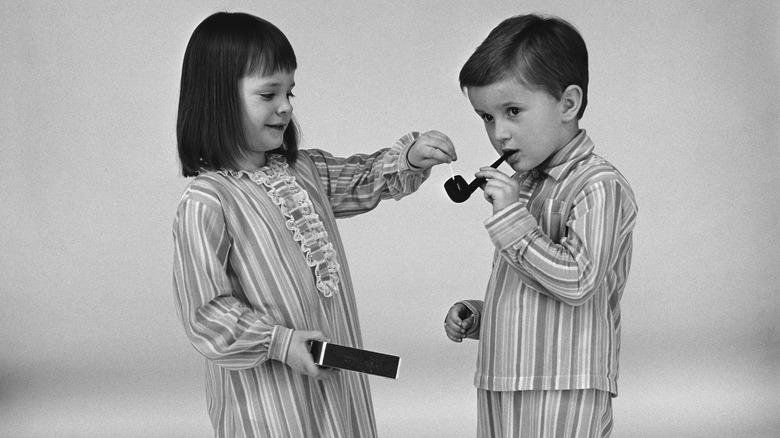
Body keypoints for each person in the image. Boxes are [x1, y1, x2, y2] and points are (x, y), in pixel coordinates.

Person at [172, 12, 455, 437]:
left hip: (332, 379)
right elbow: (206, 315)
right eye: (268, 94)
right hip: (268, 400)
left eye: (289, 92)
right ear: (218, 100)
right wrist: (279, 343)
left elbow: (364, 179)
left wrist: (410, 158)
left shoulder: (304, 170)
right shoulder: (208, 202)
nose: (285, 106)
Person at [443, 14, 638, 438]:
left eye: (513, 111)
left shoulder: (598, 186)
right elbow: (532, 290)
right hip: (503, 377)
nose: (500, 133)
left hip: (565, 384)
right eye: (487, 117)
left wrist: (512, 219)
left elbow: (577, 282)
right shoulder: (524, 186)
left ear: (568, 104)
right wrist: (483, 316)